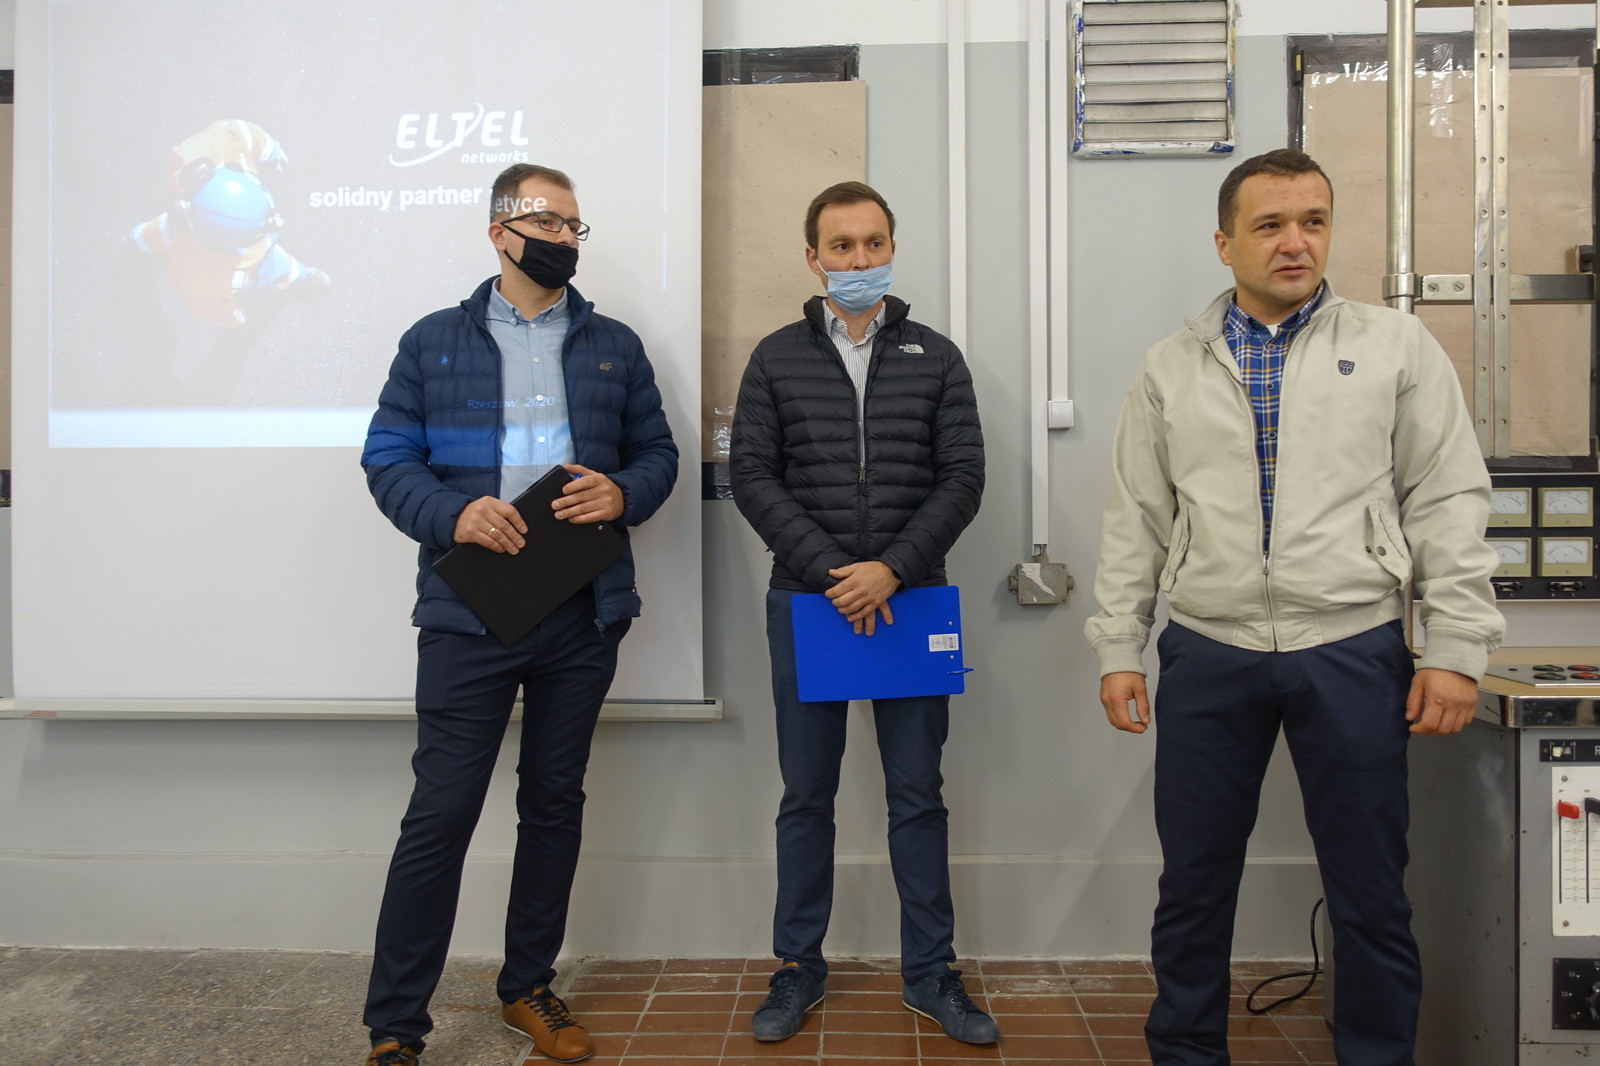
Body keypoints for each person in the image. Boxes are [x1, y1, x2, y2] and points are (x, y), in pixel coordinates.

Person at [1085, 148, 1504, 1066]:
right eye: (1270, 225)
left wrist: (1455, 647)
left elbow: (1446, 496)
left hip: (1352, 647)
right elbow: (1137, 516)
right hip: (1210, 649)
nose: (1295, 242)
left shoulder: (1395, 348)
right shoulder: (1171, 367)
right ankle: (1186, 1054)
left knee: (1370, 892)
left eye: (1313, 222)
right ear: (1224, 243)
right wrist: (1120, 647)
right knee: (1193, 886)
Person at [359, 163, 678, 1066]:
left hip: (580, 613)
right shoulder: (431, 341)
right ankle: (396, 1026)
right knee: (441, 813)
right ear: (500, 231)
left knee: (552, 804)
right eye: (548, 222)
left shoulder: (614, 344)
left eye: (575, 226)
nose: (564, 239)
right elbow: (388, 459)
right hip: (469, 611)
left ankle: (527, 985)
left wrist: (624, 494)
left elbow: (658, 454)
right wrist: (453, 514)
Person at [729, 181, 993, 1046]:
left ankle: (931, 972)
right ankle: (797, 967)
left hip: (911, 601)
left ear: (891, 249)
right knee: (806, 796)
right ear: (814, 258)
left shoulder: (936, 357)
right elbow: (752, 478)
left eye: (873, 243)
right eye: (841, 246)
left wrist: (892, 570)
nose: (859, 259)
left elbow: (963, 478)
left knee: (918, 795)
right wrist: (836, 573)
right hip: (809, 603)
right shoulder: (775, 358)